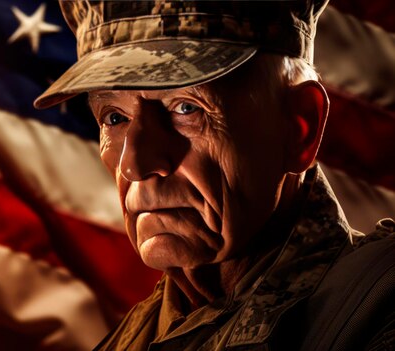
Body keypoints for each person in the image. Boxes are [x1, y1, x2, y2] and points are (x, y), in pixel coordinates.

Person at [35, 1, 395, 350]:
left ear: (300, 127)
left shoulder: (375, 309)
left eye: (186, 108)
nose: (135, 165)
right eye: (114, 117)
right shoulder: (128, 339)